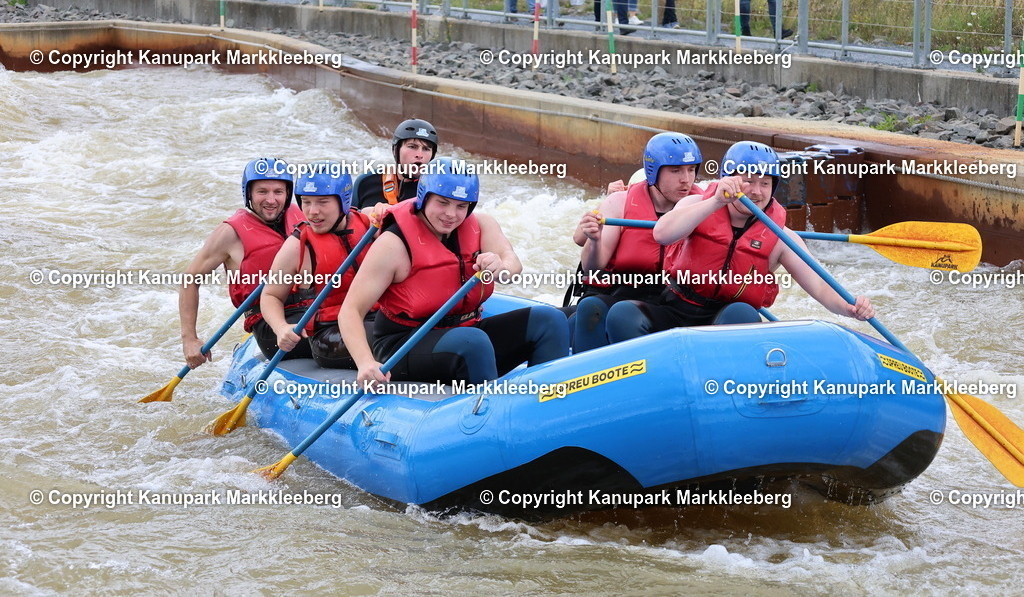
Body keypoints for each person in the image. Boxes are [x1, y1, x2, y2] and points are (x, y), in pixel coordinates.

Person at [604, 142, 874, 341]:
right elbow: (662, 233)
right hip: (676, 310)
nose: (756, 191)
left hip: (725, 322)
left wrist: (850, 308)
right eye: (748, 181)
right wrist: (716, 202)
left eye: (765, 183)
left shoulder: (781, 237)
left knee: (742, 313)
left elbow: (820, 285)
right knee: (622, 313)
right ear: (729, 180)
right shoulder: (696, 204)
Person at [339, 158, 571, 389]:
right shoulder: (393, 244)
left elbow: (512, 264)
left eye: (461, 206)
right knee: (473, 342)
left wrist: (500, 265)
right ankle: (487, 415)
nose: (451, 214)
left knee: (550, 320)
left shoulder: (482, 224)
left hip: (465, 331)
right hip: (403, 343)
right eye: (443, 203)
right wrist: (365, 363)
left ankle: (544, 403)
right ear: (424, 196)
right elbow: (350, 310)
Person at [572, 133, 704, 351]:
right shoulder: (619, 203)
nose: (686, 179)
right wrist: (594, 241)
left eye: (691, 170)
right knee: (588, 309)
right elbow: (592, 268)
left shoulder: (706, 205)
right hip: (624, 294)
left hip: (676, 304)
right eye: (675, 170)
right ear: (653, 172)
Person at [179, 158, 310, 368]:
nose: (271, 200)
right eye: (262, 192)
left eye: (278, 192)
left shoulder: (304, 215)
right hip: (270, 325)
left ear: (288, 194)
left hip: (308, 308)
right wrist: (189, 339)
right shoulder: (229, 233)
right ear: (248, 193)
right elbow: (190, 279)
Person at [261, 164, 375, 369]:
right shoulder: (297, 246)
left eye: (322, 202)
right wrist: (280, 328)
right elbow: (270, 296)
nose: (313, 212)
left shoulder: (368, 224)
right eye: (306, 202)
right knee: (384, 336)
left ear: (344, 202)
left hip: (376, 316)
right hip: (329, 335)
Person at [352, 118, 437, 213]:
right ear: (395, 150)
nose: (419, 155)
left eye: (426, 149)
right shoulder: (366, 181)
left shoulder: (436, 190)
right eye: (412, 147)